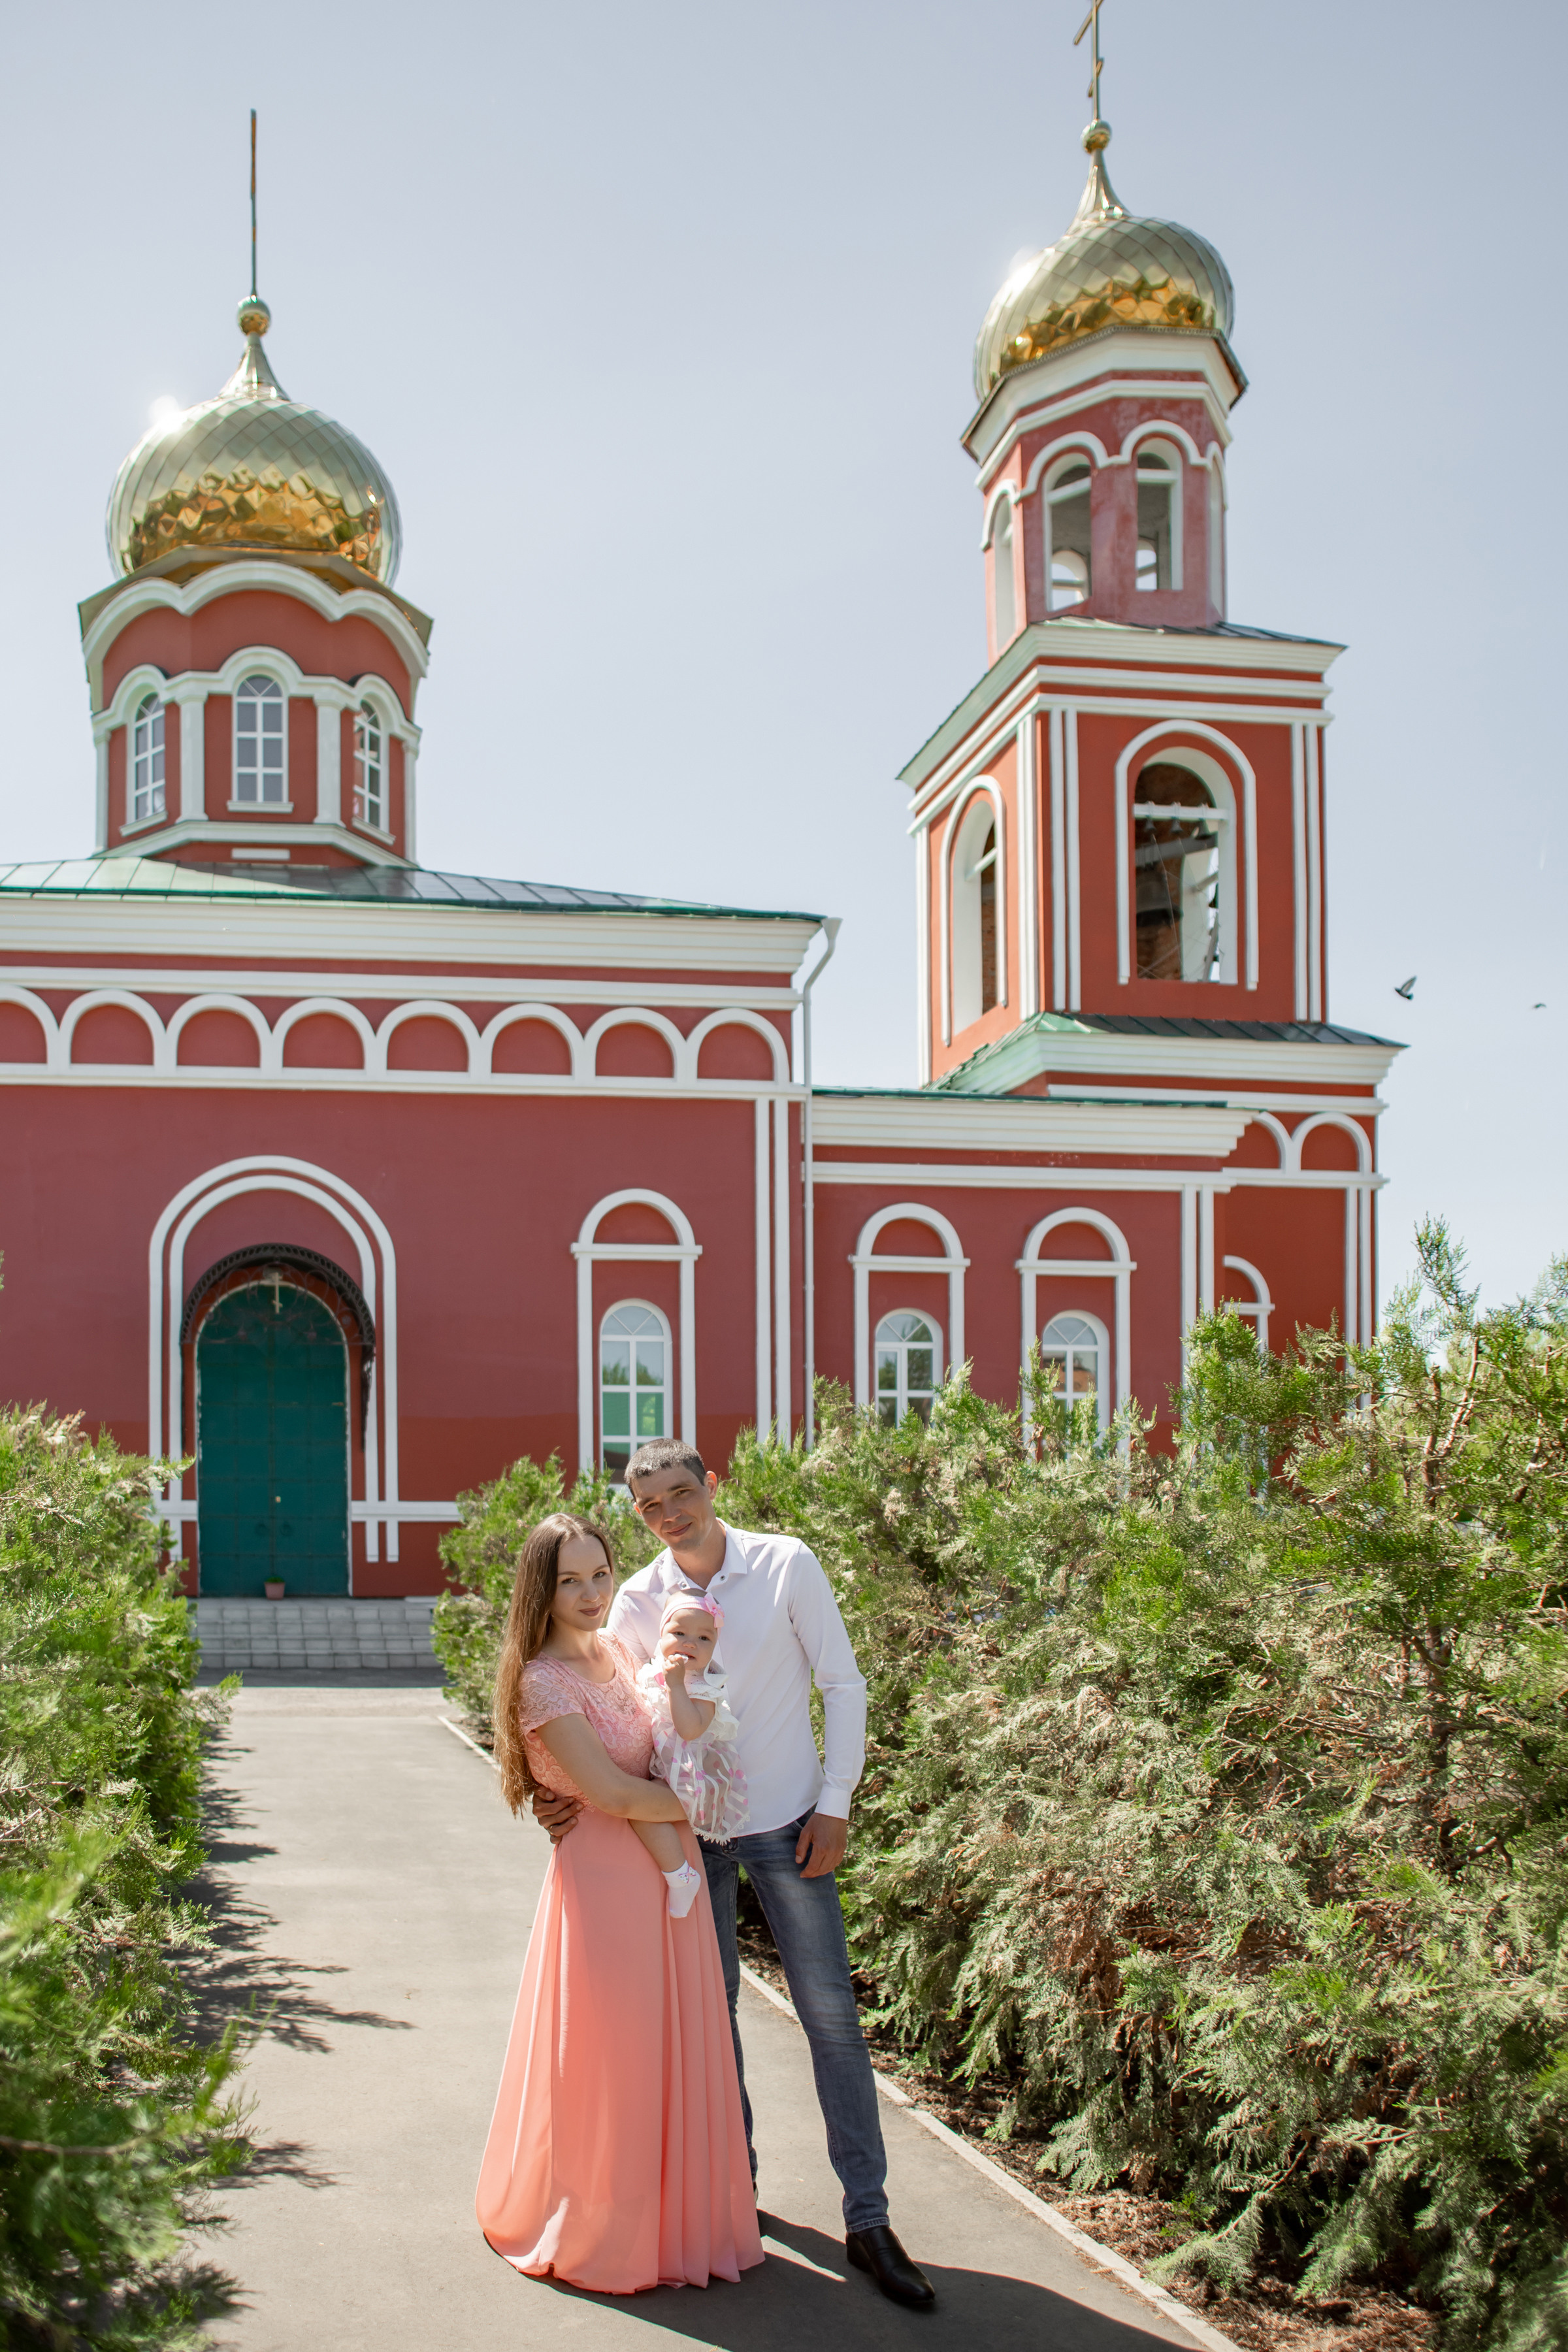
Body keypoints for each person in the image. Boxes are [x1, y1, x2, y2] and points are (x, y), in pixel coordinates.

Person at [532, 1441, 937, 2313]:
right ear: (639, 1515)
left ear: (712, 1487)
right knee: (708, 2024)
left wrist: (836, 1800)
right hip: (690, 1838)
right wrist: (555, 1791)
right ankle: (732, 2203)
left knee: (832, 2022)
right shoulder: (635, 1599)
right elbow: (601, 1702)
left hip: (791, 1826)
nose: (671, 1514)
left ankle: (868, 2221)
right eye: (651, 1507)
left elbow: (842, 1681)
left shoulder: (786, 1565)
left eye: (683, 1494)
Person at [475, 1511, 762, 2296]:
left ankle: (671, 2223)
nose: (591, 1592)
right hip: (605, 1882)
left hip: (668, 1878)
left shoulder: (618, 1650)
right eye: (569, 1580)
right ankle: (608, 2228)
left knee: (668, 2047)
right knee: (615, 2058)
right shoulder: (540, 1678)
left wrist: (694, 1793)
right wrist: (705, 1808)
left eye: (599, 1574)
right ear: (541, 1586)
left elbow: (671, 1734)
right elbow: (603, 1789)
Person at [638, 1592, 751, 1844]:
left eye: (704, 1637)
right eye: (679, 1634)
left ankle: (679, 1875)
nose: (690, 1643)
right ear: (661, 1634)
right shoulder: (653, 1670)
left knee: (642, 1813)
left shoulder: (705, 1687)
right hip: (654, 1766)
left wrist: (676, 1686)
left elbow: (690, 1730)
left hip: (687, 1774)